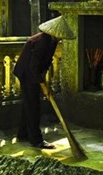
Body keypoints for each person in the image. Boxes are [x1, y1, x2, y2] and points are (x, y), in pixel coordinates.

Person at [13, 17, 65, 149]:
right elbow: (33, 67)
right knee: (33, 106)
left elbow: (45, 64)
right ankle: (36, 140)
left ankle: (22, 134)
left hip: (33, 72)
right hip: (26, 72)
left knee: (28, 104)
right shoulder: (42, 41)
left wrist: (43, 82)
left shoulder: (52, 41)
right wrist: (42, 85)